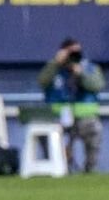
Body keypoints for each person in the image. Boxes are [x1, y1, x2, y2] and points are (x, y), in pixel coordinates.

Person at [38, 37, 104, 173]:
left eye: (77, 53)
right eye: (70, 53)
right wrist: (55, 64)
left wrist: (81, 74)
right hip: (58, 119)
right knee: (44, 132)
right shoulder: (53, 69)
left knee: (95, 129)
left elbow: (97, 85)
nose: (73, 57)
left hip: (84, 119)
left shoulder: (89, 68)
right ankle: (54, 167)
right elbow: (42, 81)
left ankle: (90, 169)